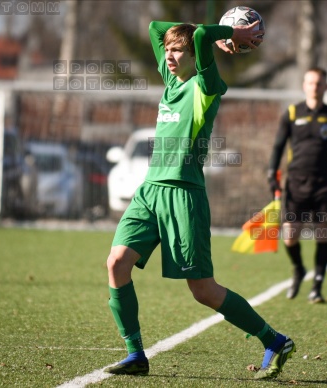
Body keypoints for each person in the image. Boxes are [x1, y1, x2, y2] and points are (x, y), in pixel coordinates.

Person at [103, 20, 295, 380]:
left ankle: (274, 340)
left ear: (196, 56)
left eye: (179, 50)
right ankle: (135, 354)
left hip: (184, 196)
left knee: (203, 290)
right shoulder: (171, 79)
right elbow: (152, 27)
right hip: (149, 193)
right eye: (169, 50)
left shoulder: (206, 87)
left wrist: (228, 36)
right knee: (116, 264)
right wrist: (198, 35)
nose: (170, 55)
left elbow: (203, 36)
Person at [267, 67, 327, 304]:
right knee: (290, 235)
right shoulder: (291, 113)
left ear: (326, 87)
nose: (315, 87)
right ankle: (298, 268)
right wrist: (271, 172)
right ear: (304, 85)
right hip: (296, 182)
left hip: (324, 183)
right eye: (311, 83)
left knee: (322, 233)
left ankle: (317, 286)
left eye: (319, 83)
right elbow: (278, 146)